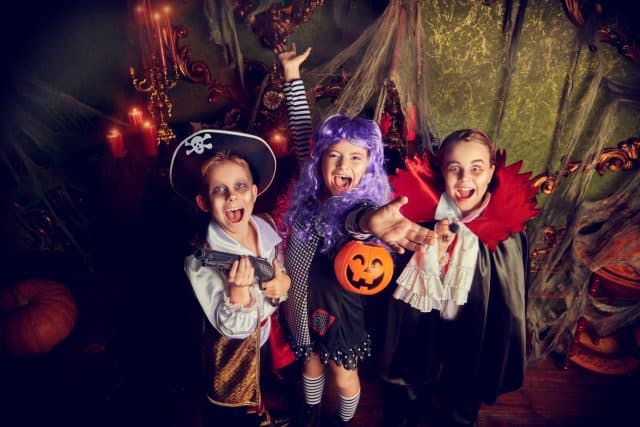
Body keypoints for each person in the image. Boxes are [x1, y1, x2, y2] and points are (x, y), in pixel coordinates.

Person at [275, 43, 436, 426]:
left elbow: (357, 221)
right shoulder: (310, 192)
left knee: (342, 374)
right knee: (309, 363)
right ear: (321, 161)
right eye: (334, 155)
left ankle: (341, 421)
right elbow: (302, 130)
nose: (343, 164)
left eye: (355, 157)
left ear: (368, 167)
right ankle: (309, 414)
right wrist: (291, 75)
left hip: (337, 311)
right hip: (298, 301)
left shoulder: (356, 207)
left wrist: (370, 225)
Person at [379, 129, 540, 426]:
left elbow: (509, 291)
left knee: (466, 370)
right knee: (416, 363)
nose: (466, 178)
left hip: (473, 316)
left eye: (476, 169)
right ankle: (408, 413)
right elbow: (401, 280)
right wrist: (435, 249)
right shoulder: (421, 216)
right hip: (428, 313)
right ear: (442, 170)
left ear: (491, 171)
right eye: (456, 169)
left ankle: (460, 415)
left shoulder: (506, 233)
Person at [169, 129, 292, 426]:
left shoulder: (265, 226)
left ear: (253, 191)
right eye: (219, 190)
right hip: (229, 356)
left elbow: (278, 271)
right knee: (231, 410)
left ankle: (261, 414)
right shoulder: (202, 260)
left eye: (239, 186)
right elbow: (233, 328)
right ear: (203, 203)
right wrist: (238, 293)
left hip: (262, 339)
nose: (232, 195)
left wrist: (282, 282)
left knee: (258, 388)